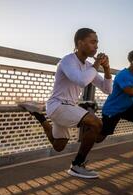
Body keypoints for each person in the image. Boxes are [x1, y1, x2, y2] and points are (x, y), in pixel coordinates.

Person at [18, 28, 112, 178]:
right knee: (96, 123)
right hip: (58, 105)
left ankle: (38, 115)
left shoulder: (88, 67)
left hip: (68, 108)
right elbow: (81, 80)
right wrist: (96, 65)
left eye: (97, 43)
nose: (96, 46)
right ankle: (77, 165)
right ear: (80, 43)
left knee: (59, 146)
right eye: (92, 42)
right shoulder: (67, 61)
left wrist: (106, 69)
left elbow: (107, 90)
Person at [97, 49, 133, 158]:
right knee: (99, 138)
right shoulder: (123, 75)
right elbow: (131, 92)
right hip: (113, 109)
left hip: (127, 107)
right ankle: (89, 130)